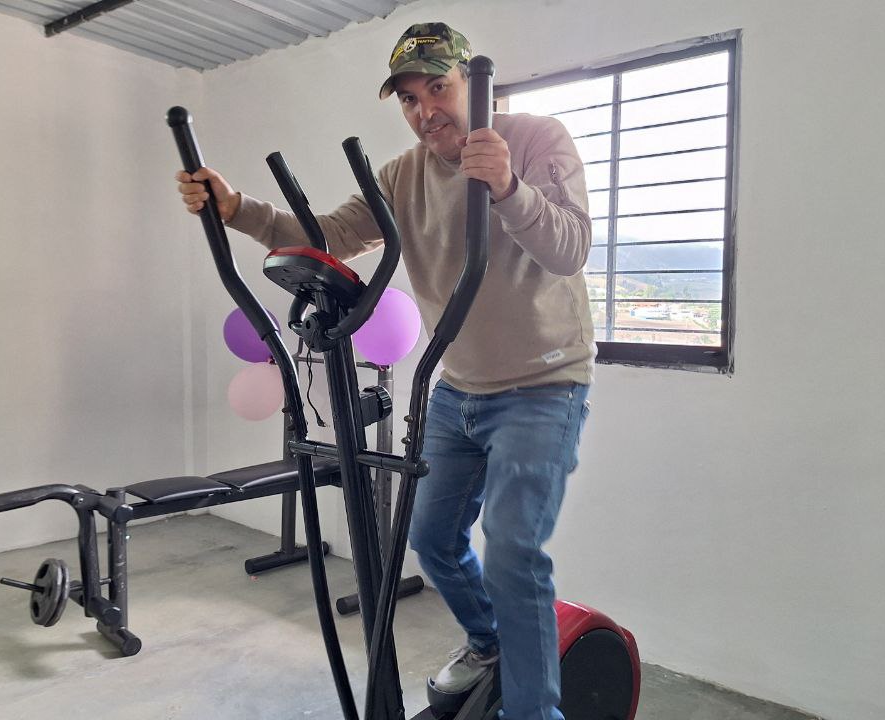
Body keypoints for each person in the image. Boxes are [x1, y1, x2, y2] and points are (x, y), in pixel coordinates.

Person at [177, 22, 594, 720]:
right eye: (408, 98)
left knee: (514, 552)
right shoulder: (402, 175)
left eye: (438, 87)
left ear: (474, 83)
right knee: (429, 539)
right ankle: (491, 642)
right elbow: (332, 235)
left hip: (543, 386)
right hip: (456, 387)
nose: (425, 110)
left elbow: (570, 248)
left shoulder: (533, 139)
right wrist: (237, 209)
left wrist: (508, 186)